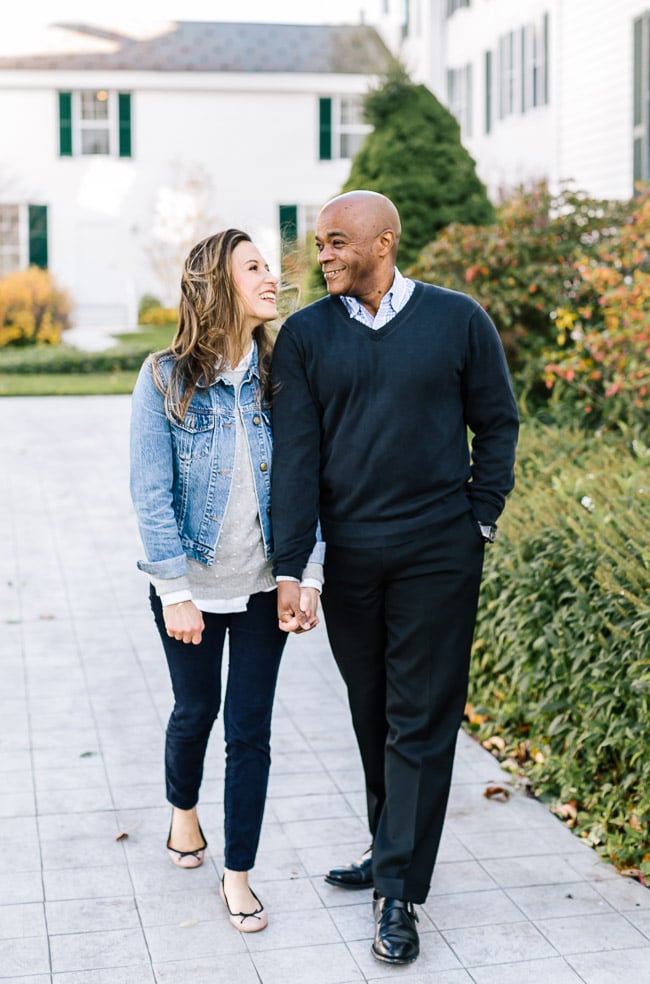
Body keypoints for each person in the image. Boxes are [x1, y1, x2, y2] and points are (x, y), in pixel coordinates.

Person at [271, 190, 519, 965]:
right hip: (349, 556)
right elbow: (297, 461)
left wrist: (477, 519)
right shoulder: (306, 337)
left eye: (338, 241)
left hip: (438, 552)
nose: (325, 256)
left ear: (385, 243)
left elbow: (498, 420)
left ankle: (398, 894)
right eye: (319, 245)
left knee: (420, 718)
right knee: (374, 712)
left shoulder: (458, 319)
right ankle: (392, 850)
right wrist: (294, 568)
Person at [129, 229, 323, 934]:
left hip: (267, 585)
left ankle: (237, 872)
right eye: (254, 268)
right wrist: (175, 592)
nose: (272, 277)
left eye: (269, 265)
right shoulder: (163, 379)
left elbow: (310, 483)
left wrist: (309, 575)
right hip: (192, 590)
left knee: (251, 730)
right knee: (195, 712)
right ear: (218, 283)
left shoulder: (285, 373)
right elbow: (150, 492)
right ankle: (183, 810)